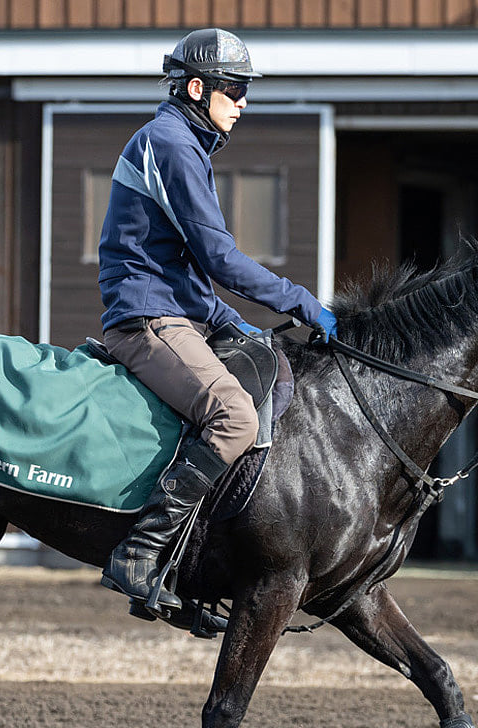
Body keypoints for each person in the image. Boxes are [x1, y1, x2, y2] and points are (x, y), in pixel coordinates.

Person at [98, 28, 338, 614]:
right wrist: (303, 302)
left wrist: (234, 323)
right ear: (199, 87)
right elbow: (218, 258)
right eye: (234, 89)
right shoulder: (173, 144)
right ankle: (143, 551)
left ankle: (201, 563)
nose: (243, 102)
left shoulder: (183, 143)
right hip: (147, 320)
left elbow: (183, 265)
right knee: (232, 416)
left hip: (175, 310)